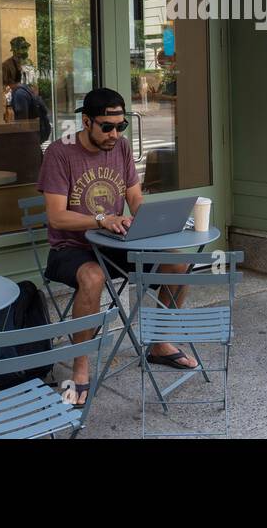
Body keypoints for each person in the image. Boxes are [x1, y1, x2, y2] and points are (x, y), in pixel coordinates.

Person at [37, 87, 196, 404]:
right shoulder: (59, 152)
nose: (114, 134)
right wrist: (101, 219)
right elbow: (56, 217)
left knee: (178, 264)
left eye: (120, 126)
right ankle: (81, 366)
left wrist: (151, 221)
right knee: (93, 277)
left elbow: (134, 198)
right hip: (70, 248)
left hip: (113, 241)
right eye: (106, 127)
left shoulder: (121, 148)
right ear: (86, 121)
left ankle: (160, 343)